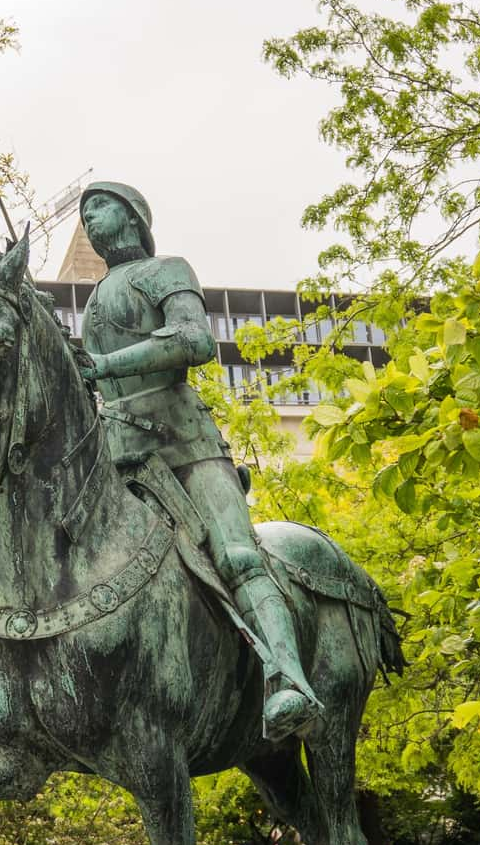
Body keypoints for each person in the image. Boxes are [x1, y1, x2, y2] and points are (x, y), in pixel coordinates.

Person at [78, 180, 322, 743]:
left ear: (135, 217)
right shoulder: (92, 300)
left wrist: (102, 366)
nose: (91, 218)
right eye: (86, 211)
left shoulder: (167, 270)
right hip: (116, 455)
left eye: (102, 206)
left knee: (237, 555)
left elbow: (194, 341)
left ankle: (288, 678)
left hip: (184, 442)